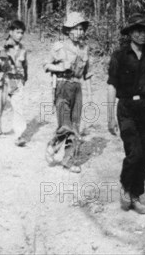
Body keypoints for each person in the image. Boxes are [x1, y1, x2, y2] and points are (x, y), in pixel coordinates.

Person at [107, 13, 145, 214]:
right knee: (134, 153)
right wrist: (109, 117)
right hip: (125, 108)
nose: (142, 34)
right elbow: (111, 86)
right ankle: (125, 185)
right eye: (137, 30)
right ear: (130, 33)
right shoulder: (119, 56)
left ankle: (135, 195)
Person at [44, 12, 93, 173]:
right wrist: (60, 67)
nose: (79, 32)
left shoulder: (85, 49)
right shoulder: (59, 46)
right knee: (65, 125)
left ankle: (68, 160)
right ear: (68, 30)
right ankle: (53, 144)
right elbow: (46, 65)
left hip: (77, 88)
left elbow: (87, 74)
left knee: (76, 126)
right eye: (75, 29)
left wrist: (90, 96)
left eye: (81, 29)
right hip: (62, 86)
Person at [0, 20, 28, 145]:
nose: (20, 35)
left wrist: (24, 79)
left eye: (22, 33)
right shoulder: (3, 46)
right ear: (11, 32)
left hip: (17, 80)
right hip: (4, 80)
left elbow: (25, 65)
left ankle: (18, 135)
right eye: (18, 32)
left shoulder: (23, 49)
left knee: (19, 108)